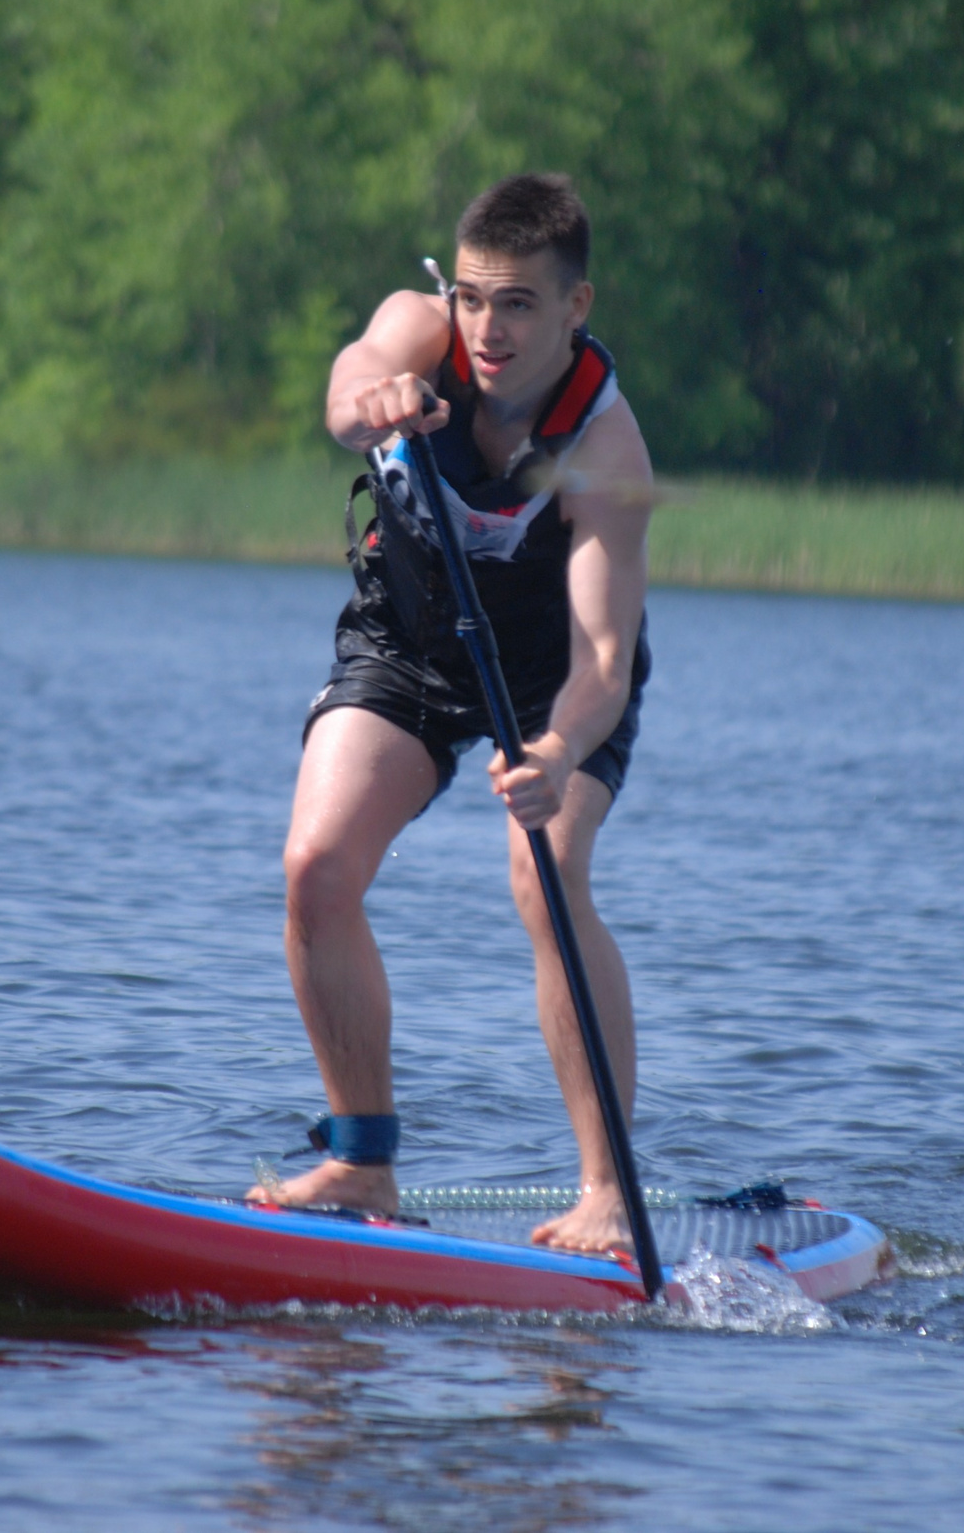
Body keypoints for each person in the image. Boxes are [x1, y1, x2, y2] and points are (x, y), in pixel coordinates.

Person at [248, 172, 655, 1256]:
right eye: (472, 298)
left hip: (550, 678)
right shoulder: (418, 331)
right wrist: (368, 402)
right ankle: (362, 1162)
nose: (485, 328)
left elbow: (605, 658)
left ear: (576, 308)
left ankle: (608, 1189)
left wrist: (561, 751)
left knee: (543, 872)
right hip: (415, 639)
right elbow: (346, 384)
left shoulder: (605, 452)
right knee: (314, 866)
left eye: (517, 304)